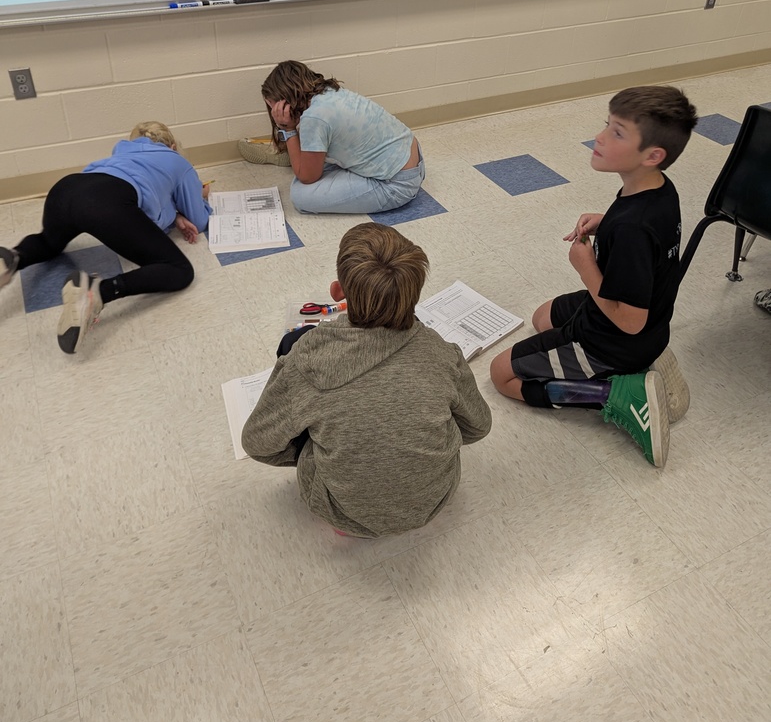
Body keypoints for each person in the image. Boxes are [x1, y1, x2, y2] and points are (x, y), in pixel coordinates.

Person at [490, 85, 698, 468]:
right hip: (643, 323)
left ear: (653, 155)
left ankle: (618, 393)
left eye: (617, 132)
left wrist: (586, 268)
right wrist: (607, 223)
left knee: (501, 375)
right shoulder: (657, 189)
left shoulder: (634, 230)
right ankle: (645, 360)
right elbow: (647, 243)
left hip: (613, 338)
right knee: (541, 316)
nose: (599, 138)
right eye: (607, 125)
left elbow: (630, 322)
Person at [241, 222, 492, 537]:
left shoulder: (306, 359)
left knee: (308, 412)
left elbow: (257, 443)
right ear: (415, 293)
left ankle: (347, 516)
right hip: (433, 501)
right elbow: (478, 426)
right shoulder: (444, 354)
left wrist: (319, 449)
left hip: (341, 510)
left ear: (338, 293)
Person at [0, 121, 212, 354]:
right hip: (105, 202)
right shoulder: (178, 161)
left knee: (48, 242)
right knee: (179, 269)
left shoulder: (121, 150)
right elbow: (199, 220)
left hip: (65, 189)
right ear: (172, 145)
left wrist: (174, 214)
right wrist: (200, 197)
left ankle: (14, 257)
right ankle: (97, 291)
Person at [260, 60, 425, 214]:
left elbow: (307, 178)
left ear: (284, 104)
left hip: (397, 185)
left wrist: (288, 129)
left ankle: (295, 158)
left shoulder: (314, 118)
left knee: (300, 194)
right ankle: (297, 158)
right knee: (315, 157)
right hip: (413, 157)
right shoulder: (330, 91)